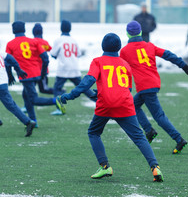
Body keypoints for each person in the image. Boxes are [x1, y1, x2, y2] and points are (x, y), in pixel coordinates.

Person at [58, 33, 164, 182]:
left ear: (102, 46)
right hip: (125, 105)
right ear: (119, 47)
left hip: (106, 105)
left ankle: (105, 166)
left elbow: (88, 81)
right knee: (139, 137)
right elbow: (127, 89)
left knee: (93, 132)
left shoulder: (98, 61)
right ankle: (155, 168)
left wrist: (70, 95)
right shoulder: (125, 64)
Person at [120, 21, 188, 154]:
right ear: (141, 32)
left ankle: (178, 139)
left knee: (159, 116)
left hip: (144, 87)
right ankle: (149, 131)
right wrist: (183, 65)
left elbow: (120, 69)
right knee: (134, 106)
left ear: (127, 34)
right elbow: (168, 54)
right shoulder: (149, 46)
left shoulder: (125, 51)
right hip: (152, 84)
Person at [6, 21, 65, 126]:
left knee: (33, 99)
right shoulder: (34, 42)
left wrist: (10, 75)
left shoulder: (10, 44)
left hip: (26, 75)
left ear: (13, 30)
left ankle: (55, 100)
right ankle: (33, 121)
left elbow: (7, 62)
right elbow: (46, 58)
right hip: (37, 73)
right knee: (26, 96)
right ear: (24, 29)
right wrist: (42, 73)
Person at [49, 20, 96, 115]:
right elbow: (78, 54)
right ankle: (98, 102)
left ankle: (59, 108)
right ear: (70, 29)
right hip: (74, 68)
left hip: (63, 68)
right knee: (84, 88)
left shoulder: (58, 40)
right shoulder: (74, 40)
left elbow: (53, 54)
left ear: (61, 28)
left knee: (57, 88)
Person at [32, 23, 54, 95]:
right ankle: (58, 92)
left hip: (34, 69)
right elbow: (50, 49)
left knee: (31, 89)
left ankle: (58, 92)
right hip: (43, 70)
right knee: (44, 89)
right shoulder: (45, 42)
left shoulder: (31, 42)